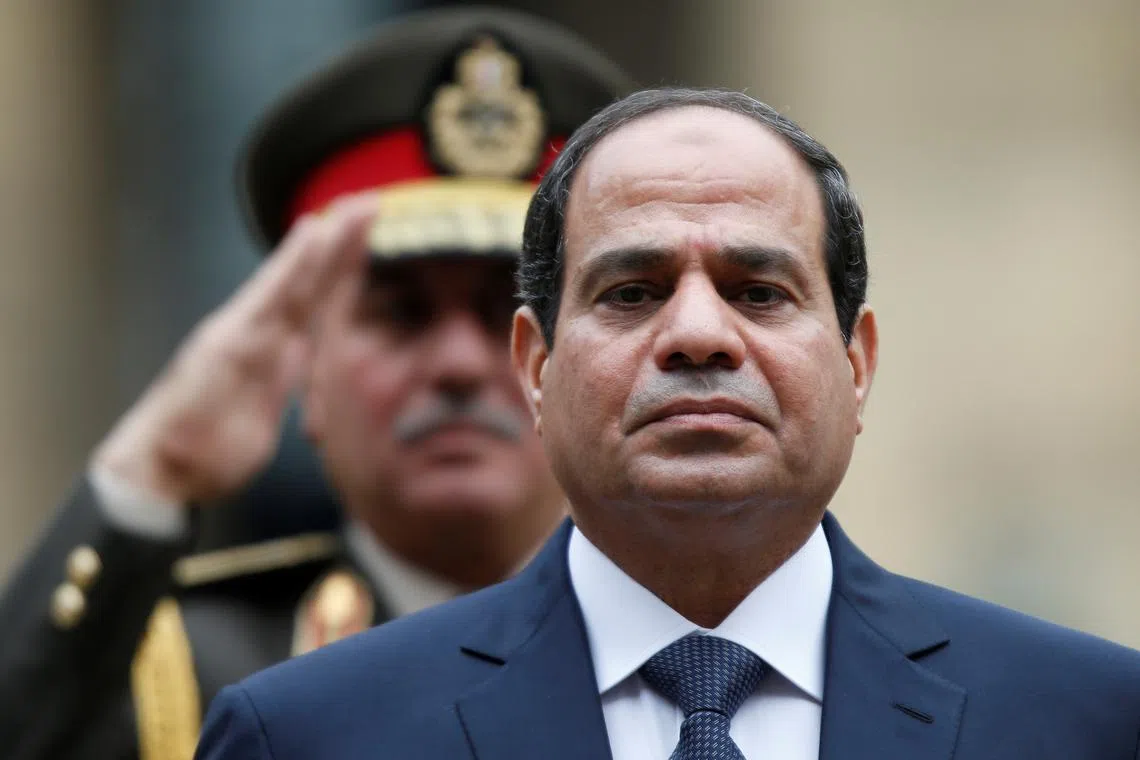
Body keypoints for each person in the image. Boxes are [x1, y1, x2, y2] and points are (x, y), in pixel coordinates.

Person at [195, 86, 1140, 760]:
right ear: (536, 365)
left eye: (760, 292)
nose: (696, 335)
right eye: (633, 291)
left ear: (857, 366)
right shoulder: (311, 735)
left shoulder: (1091, 719)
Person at [0, 8, 632, 760]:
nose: (460, 363)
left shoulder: (700, 655)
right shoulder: (176, 681)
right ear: (308, 370)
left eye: (511, 310)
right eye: (401, 313)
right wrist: (154, 469)